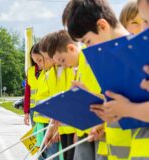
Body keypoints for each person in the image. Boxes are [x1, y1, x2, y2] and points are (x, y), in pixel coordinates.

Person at [65, 0, 143, 159]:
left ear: (102, 26)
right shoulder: (113, 60)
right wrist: (105, 117)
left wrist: (126, 110)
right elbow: (124, 108)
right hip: (117, 151)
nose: (89, 48)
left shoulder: (139, 54)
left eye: (87, 41)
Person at [41, 30, 107, 160]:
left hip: (99, 129)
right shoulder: (78, 66)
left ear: (71, 48)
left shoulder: (91, 59)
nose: (64, 66)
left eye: (62, 60)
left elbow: (105, 96)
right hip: (86, 130)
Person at [24, 44, 45, 127]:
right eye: (35, 60)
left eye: (39, 60)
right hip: (33, 110)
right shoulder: (30, 71)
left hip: (45, 110)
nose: (38, 63)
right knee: (37, 137)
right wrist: (26, 112)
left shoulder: (48, 70)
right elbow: (27, 94)